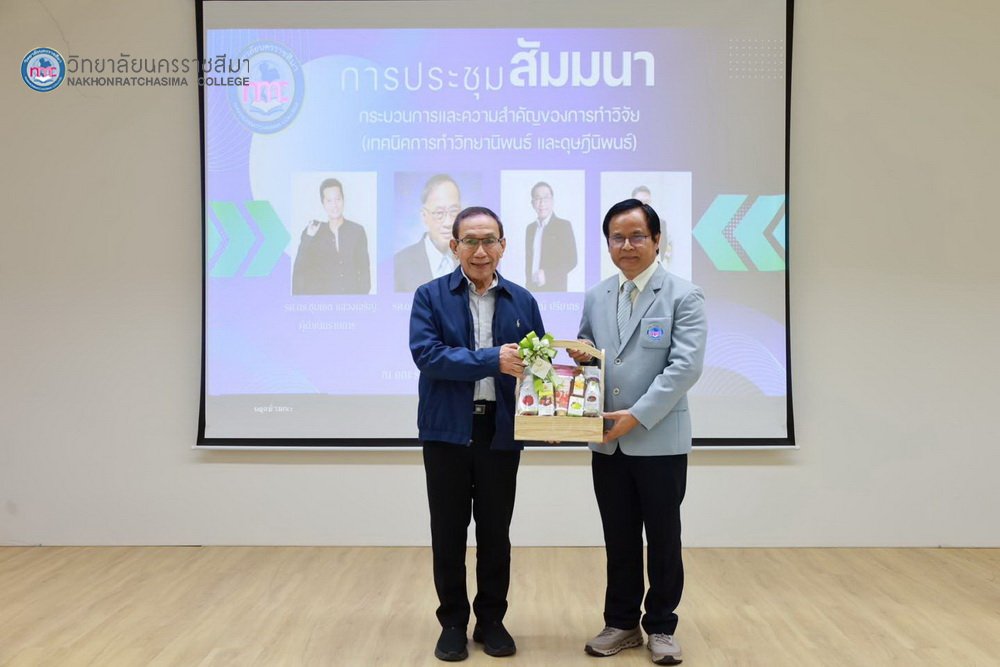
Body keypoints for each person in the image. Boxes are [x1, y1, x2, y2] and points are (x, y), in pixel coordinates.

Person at [569, 198, 706, 665]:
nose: (627, 245)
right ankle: (622, 622)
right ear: (608, 243)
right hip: (608, 442)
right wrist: (582, 355)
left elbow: (684, 368)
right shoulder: (597, 295)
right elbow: (590, 350)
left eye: (637, 236)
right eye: (617, 238)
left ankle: (662, 627)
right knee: (619, 537)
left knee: (663, 539)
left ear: (656, 240)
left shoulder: (684, 295)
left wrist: (638, 414)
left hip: (658, 439)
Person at [409, 206, 545, 662]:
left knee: (495, 534)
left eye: (489, 240)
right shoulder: (429, 296)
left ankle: (491, 621)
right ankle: (452, 623)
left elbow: (539, 367)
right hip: (446, 431)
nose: (480, 250)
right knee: (448, 533)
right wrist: (492, 360)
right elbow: (428, 356)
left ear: (503, 246)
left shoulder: (522, 300)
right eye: (470, 241)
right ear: (454, 246)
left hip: (499, 432)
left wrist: (551, 413)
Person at [291, 178, 371, 295]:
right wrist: (308, 237)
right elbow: (300, 270)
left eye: (338, 199)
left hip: (351, 303)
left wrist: (358, 300)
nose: (335, 206)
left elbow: (364, 272)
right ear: (323, 203)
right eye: (329, 201)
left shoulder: (357, 231)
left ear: (343, 199)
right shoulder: (314, 232)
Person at [395, 174, 462, 291]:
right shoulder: (400, 264)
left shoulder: (470, 259)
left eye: (454, 211)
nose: (448, 222)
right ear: (424, 216)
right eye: (439, 213)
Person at [524, 181, 578, 291]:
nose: (542, 203)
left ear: (552, 201)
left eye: (546, 198)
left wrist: (547, 275)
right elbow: (529, 262)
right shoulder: (530, 229)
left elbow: (572, 260)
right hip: (532, 290)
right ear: (532, 203)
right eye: (537, 198)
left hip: (555, 291)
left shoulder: (563, 226)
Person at [632, 185, 673, 268]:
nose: (644, 205)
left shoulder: (661, 224)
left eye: (647, 202)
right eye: (640, 202)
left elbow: (664, 252)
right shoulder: (623, 225)